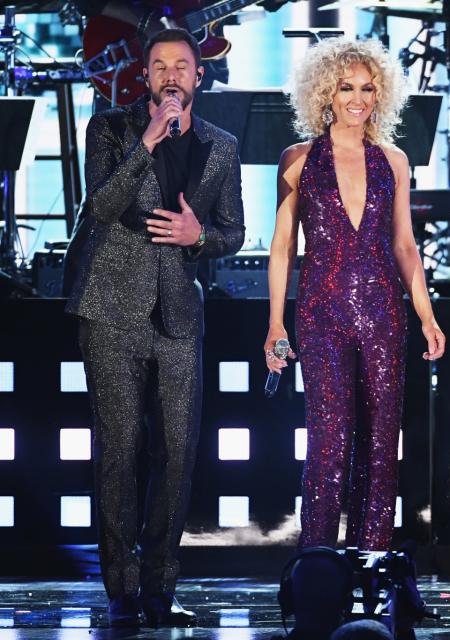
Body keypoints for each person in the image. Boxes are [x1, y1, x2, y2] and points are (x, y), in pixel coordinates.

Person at [65, 28, 245, 627]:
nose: (172, 76)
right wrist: (145, 141)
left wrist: (202, 240)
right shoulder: (110, 130)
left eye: (183, 66)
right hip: (112, 306)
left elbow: (232, 231)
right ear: (146, 76)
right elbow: (101, 207)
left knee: (178, 449)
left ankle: (160, 590)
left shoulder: (221, 146)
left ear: (199, 76)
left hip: (178, 314)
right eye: (160, 66)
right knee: (118, 451)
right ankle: (120, 591)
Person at [264, 38, 445, 552]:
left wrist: (427, 317)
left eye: (368, 88)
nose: (357, 98)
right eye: (346, 87)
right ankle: (316, 566)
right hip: (321, 314)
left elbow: (405, 246)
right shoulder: (298, 160)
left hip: (384, 313)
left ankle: (373, 568)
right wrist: (276, 324)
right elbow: (282, 248)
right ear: (325, 91)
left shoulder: (395, 161)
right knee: (329, 443)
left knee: (382, 443)